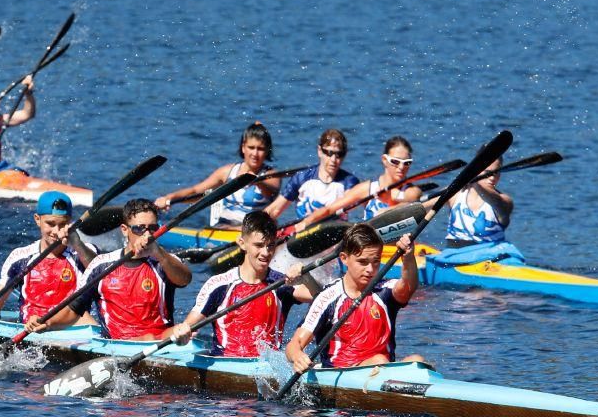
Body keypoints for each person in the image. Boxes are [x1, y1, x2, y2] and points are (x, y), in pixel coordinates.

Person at [35, 199, 192, 340]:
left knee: (180, 331)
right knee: (149, 338)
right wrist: (47, 323)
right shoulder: (101, 265)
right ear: (124, 229)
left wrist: (158, 252)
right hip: (119, 345)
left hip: (161, 342)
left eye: (153, 228)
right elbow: (73, 310)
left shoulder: (164, 261)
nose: (147, 235)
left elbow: (185, 280)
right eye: (139, 229)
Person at [171, 211, 317, 357]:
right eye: (258, 245)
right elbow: (188, 326)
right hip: (226, 365)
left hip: (268, 369)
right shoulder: (220, 284)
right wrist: (182, 333)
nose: (266, 253)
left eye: (270, 245)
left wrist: (306, 276)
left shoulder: (280, 284)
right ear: (242, 243)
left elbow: (319, 298)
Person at [0, 191, 97, 334]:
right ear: (37, 219)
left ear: (70, 222)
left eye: (63, 224)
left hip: (74, 330)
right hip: (31, 330)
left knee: (85, 317)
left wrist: (77, 244)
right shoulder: (21, 258)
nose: (56, 231)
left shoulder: (83, 252)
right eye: (50, 224)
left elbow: (101, 274)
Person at [285, 223, 423, 371]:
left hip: (382, 369)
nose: (370, 270)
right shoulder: (327, 297)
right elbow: (295, 344)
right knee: (380, 359)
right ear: (344, 258)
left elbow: (408, 286)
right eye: (362, 262)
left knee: (418, 361)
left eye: (376, 261)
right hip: (340, 373)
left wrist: (408, 257)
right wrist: (298, 356)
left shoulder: (385, 291)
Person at [154, 122, 280, 227]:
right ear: (243, 148)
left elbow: (271, 192)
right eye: (251, 147)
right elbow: (196, 191)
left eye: (260, 149)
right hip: (224, 230)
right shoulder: (227, 172)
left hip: (254, 232)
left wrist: (257, 180)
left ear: (267, 150)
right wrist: (168, 198)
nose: (255, 153)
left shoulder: (272, 175)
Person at [298, 136, 422, 228]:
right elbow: (330, 209)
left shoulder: (412, 191)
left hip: (401, 248)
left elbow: (411, 199)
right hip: (371, 249)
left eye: (407, 163)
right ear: (384, 160)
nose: (401, 167)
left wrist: (389, 208)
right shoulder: (366, 189)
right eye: (395, 161)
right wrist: (306, 222)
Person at [263, 128, 359, 223]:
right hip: (303, 233)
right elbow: (275, 210)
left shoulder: (349, 182)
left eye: (339, 154)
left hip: (335, 232)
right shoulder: (301, 178)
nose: (333, 159)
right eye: (329, 153)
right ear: (320, 151)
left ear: (345, 154)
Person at [429, 156, 513, 248]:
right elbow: (421, 209)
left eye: (496, 172)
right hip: (453, 255)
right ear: (478, 170)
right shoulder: (455, 194)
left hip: (490, 257)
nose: (493, 177)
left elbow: (495, 199)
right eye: (488, 173)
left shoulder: (505, 201)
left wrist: (474, 180)